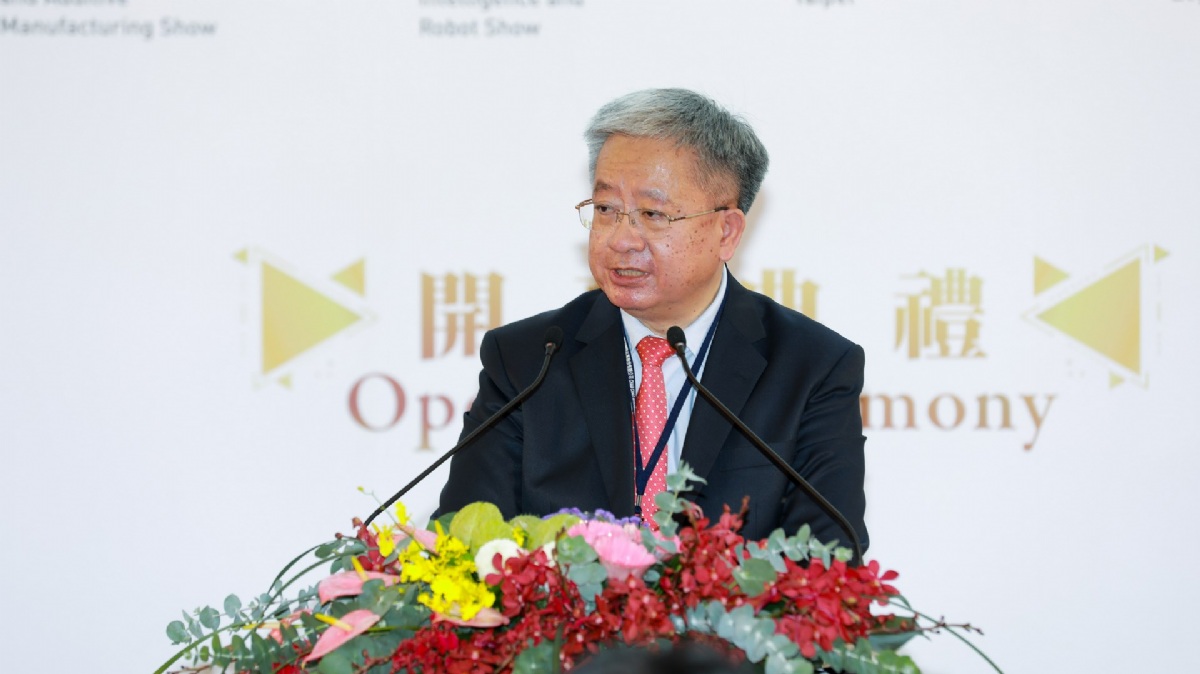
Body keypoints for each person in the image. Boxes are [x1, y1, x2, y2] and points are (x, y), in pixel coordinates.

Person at [436, 88, 867, 551]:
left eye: (652, 214)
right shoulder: (527, 361)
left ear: (726, 231)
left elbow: (829, 560)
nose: (621, 239)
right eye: (606, 209)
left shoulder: (811, 367)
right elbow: (464, 543)